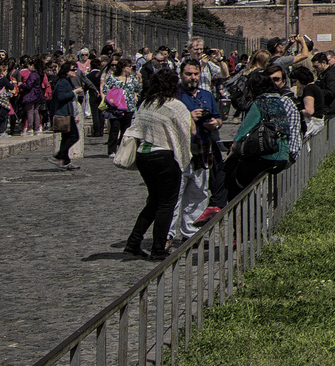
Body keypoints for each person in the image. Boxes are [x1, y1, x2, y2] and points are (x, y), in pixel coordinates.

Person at [122, 65, 194, 260]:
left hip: (144, 156)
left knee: (153, 201)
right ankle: (158, 248)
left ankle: (133, 242)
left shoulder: (146, 103)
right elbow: (189, 130)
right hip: (164, 156)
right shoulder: (175, 106)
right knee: (166, 204)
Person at [223, 65, 300, 199]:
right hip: (284, 157)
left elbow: (244, 128)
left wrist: (233, 148)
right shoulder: (282, 100)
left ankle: (236, 216)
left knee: (235, 182)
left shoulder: (260, 102)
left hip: (269, 157)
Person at [176, 56, 225, 236]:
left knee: (199, 193)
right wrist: (191, 117)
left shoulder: (207, 95)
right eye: (188, 74)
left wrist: (215, 123)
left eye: (196, 74)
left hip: (204, 148)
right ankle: (168, 234)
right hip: (182, 149)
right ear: (181, 74)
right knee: (177, 193)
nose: (193, 77)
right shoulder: (176, 96)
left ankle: (191, 234)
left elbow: (219, 117)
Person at [49, 58, 83, 169]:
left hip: (69, 113)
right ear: (67, 71)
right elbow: (61, 97)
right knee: (74, 136)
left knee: (66, 138)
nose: (75, 72)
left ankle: (65, 162)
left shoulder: (68, 81)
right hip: (64, 114)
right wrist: (74, 92)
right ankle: (58, 156)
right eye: (73, 70)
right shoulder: (63, 82)